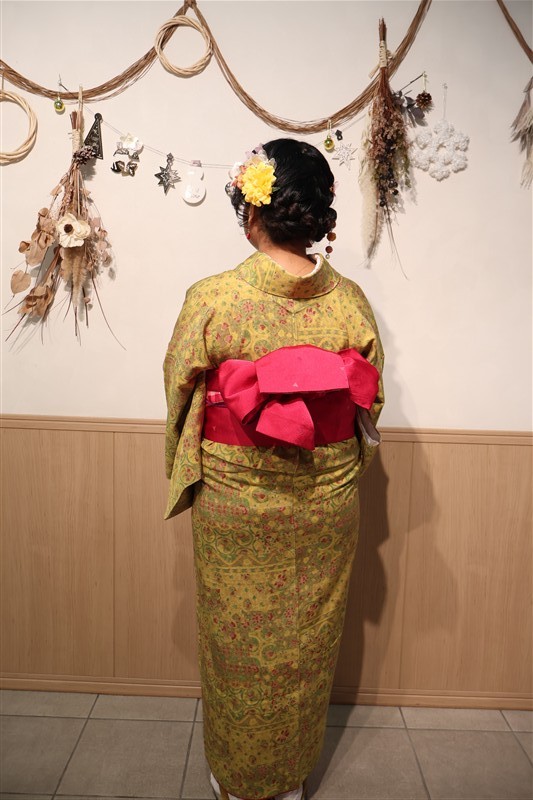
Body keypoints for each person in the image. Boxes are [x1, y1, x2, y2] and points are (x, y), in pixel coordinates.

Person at [163, 138, 385, 800]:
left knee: (236, 643)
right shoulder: (349, 302)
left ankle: (236, 780)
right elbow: (369, 404)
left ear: (252, 210)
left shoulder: (213, 297)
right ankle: (288, 781)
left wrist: (190, 463)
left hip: (234, 498)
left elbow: (180, 392)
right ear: (317, 214)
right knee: (307, 641)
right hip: (325, 499)